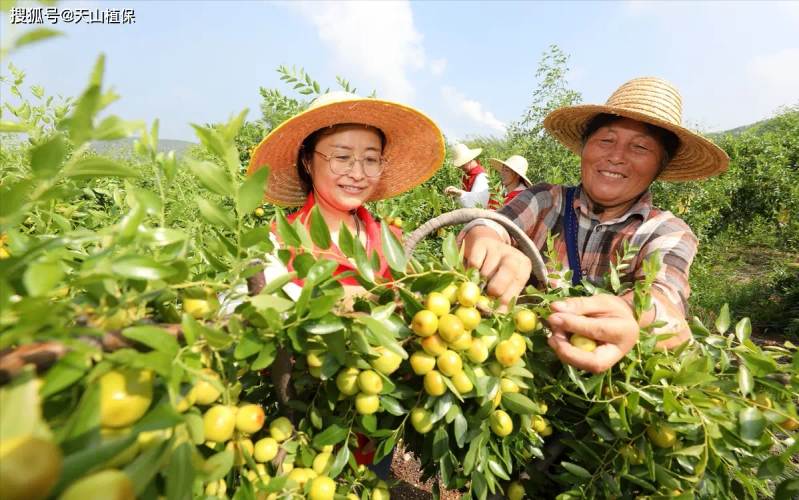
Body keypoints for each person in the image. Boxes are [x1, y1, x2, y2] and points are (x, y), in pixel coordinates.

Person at [457, 77, 729, 374]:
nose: (616, 156)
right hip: (520, 365)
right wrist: (484, 236)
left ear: (659, 167)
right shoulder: (545, 200)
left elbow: (665, 296)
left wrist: (631, 313)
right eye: (606, 140)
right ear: (585, 148)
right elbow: (494, 224)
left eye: (640, 147)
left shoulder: (666, 232)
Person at [246, 90, 445, 479]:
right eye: (341, 156)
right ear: (308, 160)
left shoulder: (392, 242)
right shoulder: (275, 245)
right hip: (301, 435)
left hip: (375, 430)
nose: (357, 172)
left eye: (371, 159)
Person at [444, 144, 490, 208]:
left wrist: (459, 193)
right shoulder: (466, 175)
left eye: (463, 165)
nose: (461, 168)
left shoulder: (481, 176)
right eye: (459, 166)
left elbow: (476, 204)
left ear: (470, 160)